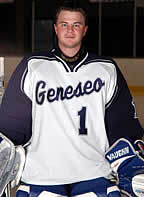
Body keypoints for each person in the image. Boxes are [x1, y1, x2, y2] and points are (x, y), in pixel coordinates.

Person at [0, 0, 143, 196]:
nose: (70, 30)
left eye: (76, 25)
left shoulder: (106, 68)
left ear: (84, 30)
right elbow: (13, 125)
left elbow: (121, 125)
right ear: (55, 29)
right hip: (41, 174)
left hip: (94, 172)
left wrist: (129, 156)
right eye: (64, 24)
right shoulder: (32, 66)